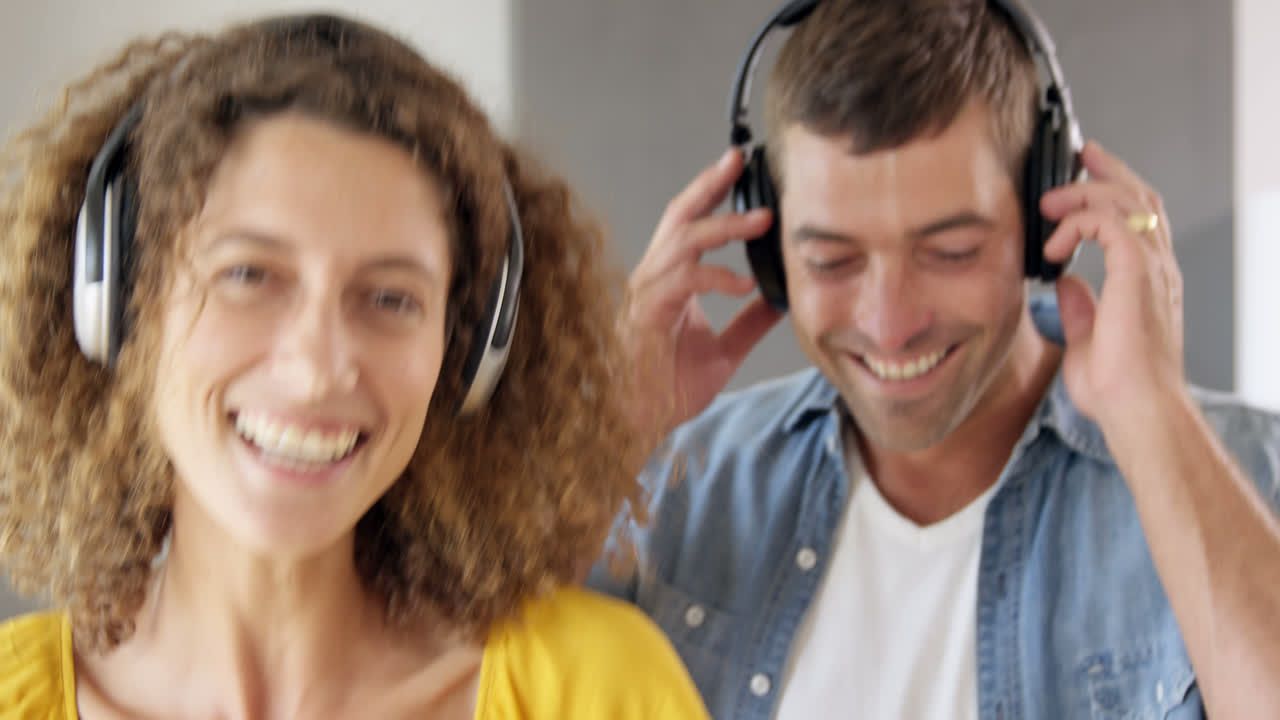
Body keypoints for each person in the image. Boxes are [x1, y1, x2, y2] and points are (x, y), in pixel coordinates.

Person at [0, 13, 709, 719]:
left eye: (391, 298)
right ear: (122, 301)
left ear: (467, 353)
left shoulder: (597, 691)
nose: (316, 370)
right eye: (249, 274)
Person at [587, 0, 1280, 718]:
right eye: (831, 260)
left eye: (951, 253)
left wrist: (1151, 414)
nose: (889, 323)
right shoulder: (671, 488)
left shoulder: (1250, 479)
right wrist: (613, 429)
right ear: (770, 253)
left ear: (1047, 220)